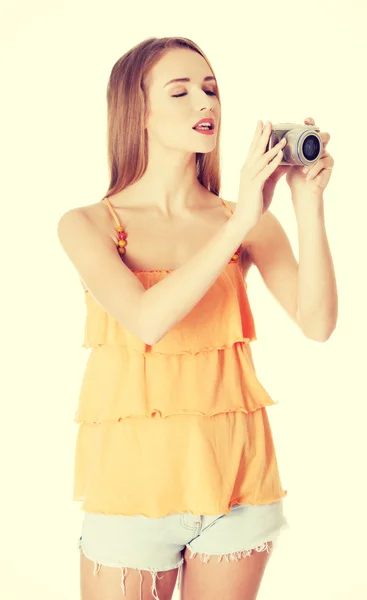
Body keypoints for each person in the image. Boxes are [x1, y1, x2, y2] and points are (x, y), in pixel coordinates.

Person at [57, 36, 329, 600]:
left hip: (237, 487)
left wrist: (307, 203)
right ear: (139, 114)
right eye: (179, 92)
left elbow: (318, 322)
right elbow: (146, 320)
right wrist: (239, 222)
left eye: (210, 89)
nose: (205, 104)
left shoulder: (244, 218)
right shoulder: (88, 224)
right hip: (130, 494)